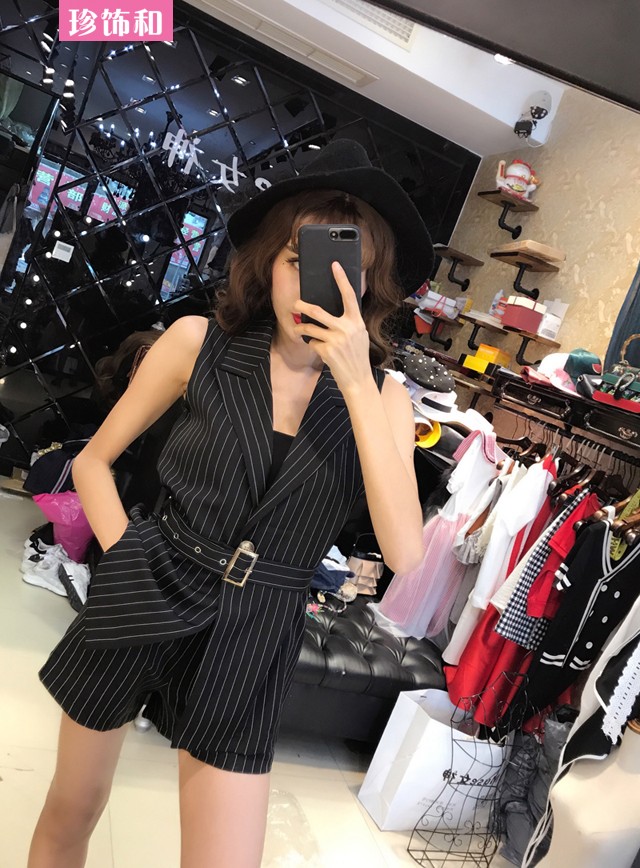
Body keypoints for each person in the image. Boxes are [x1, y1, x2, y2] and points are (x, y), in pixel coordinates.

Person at [27, 139, 432, 868]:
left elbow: (404, 551)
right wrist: (128, 557)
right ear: (269, 262)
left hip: (258, 626)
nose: (314, 286)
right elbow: (91, 463)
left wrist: (354, 380)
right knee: (71, 812)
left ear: (369, 288)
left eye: (346, 271)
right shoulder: (199, 344)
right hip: (149, 581)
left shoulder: (385, 400)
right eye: (298, 260)